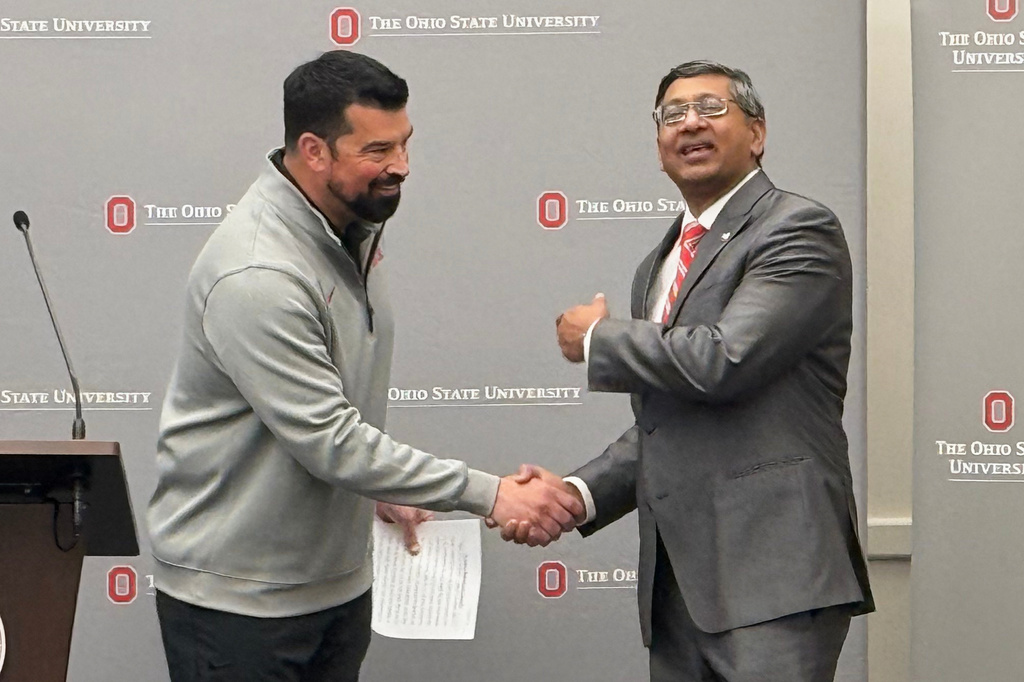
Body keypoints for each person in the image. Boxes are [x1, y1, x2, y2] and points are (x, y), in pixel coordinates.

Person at [146, 50, 581, 682]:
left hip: (335, 591)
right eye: (377, 151)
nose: (400, 167)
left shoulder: (350, 223)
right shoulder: (258, 272)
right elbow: (329, 440)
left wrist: (384, 486)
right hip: (240, 608)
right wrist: (493, 496)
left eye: (405, 144)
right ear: (314, 150)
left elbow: (325, 410)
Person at [508, 60, 874, 681]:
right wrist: (577, 494)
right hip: (677, 587)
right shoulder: (658, 263)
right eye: (672, 115)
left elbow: (724, 360)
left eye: (711, 108)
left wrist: (597, 337)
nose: (690, 125)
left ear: (756, 133)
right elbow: (666, 422)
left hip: (773, 580)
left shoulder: (797, 228)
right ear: (658, 147)